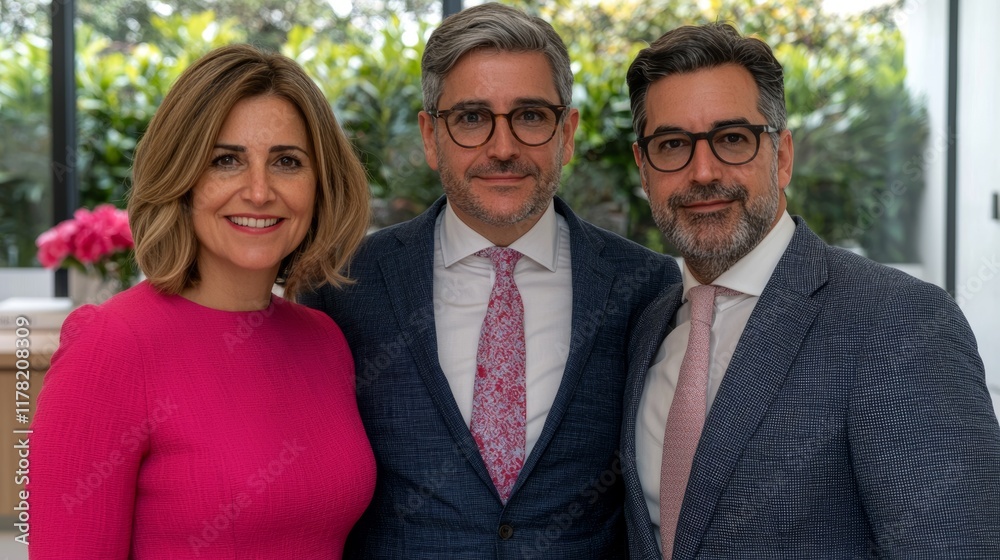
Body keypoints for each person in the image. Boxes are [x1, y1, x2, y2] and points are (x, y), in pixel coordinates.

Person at [300, 3, 680, 557]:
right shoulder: (344, 285)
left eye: (529, 116)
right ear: (431, 136)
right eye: (472, 117)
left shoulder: (647, 288)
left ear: (566, 133)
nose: (503, 148)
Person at [620, 22, 1000, 559]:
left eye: (732, 139)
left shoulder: (900, 322)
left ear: (782, 156)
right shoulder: (647, 326)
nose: (702, 171)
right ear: (644, 168)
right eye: (672, 144)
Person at [28, 44, 375, 558]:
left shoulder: (324, 340)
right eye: (226, 160)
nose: (259, 192)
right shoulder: (112, 346)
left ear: (320, 186)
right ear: (181, 178)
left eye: (286, 161)